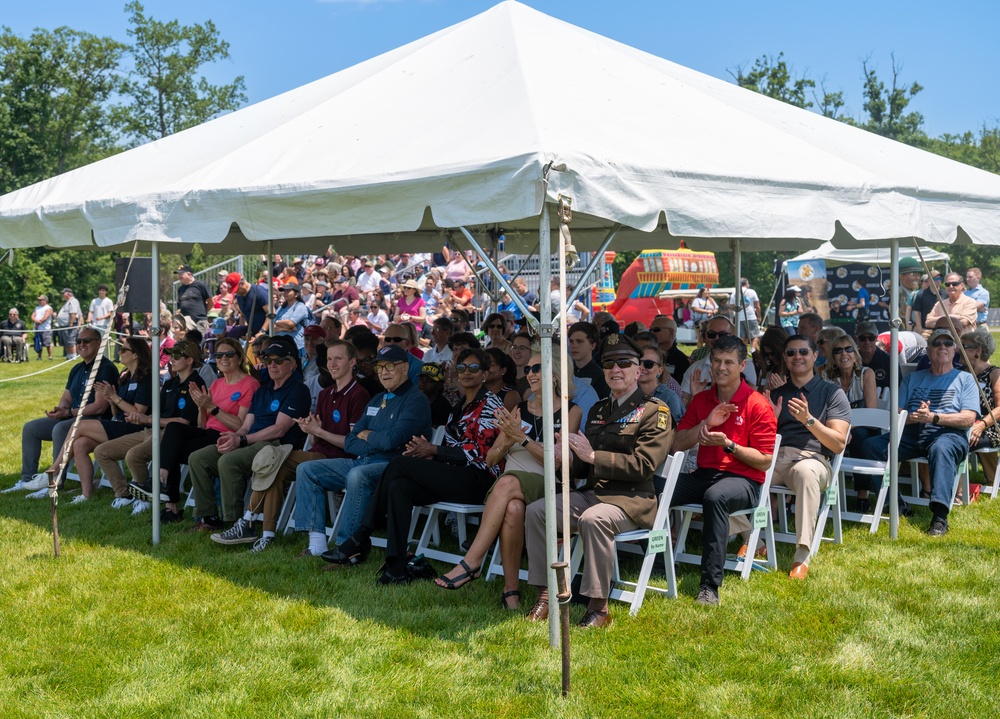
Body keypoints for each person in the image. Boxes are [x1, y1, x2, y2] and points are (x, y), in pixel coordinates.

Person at [523, 334, 673, 627]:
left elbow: (645, 466)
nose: (615, 370)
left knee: (593, 519)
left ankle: (598, 608)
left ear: (638, 371)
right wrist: (567, 459)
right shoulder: (598, 411)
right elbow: (583, 464)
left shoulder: (656, 412)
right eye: (608, 364)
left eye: (624, 363)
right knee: (538, 511)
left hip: (631, 501)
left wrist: (592, 458)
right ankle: (546, 595)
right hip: (594, 493)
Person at [333, 348, 502, 585]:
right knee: (399, 487)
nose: (466, 372)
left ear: (485, 373)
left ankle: (361, 535)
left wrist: (436, 451)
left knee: (400, 463)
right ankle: (396, 567)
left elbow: (483, 455)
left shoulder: (491, 404)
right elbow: (451, 451)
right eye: (462, 367)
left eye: (474, 368)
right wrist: (426, 450)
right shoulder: (461, 405)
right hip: (455, 474)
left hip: (480, 480)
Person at [435, 350, 582, 608]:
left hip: (548, 485)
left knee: (506, 482)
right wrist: (506, 441)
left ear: (556, 374)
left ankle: (471, 562)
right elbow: (490, 459)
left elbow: (557, 463)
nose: (531, 374)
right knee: (513, 508)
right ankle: (510, 593)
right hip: (513, 488)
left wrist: (522, 439)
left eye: (537, 369)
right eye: (527, 370)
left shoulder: (571, 411)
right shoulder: (519, 409)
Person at [213, 340, 371, 552]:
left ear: (352, 362)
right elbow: (316, 441)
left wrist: (319, 432)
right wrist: (312, 430)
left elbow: (352, 444)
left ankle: (248, 520)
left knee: (271, 459)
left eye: (338, 358)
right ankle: (266, 534)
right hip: (317, 453)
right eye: (330, 359)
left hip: (341, 461)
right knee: (272, 465)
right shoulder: (325, 393)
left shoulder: (359, 394)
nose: (332, 364)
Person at [670, 334, 777, 606]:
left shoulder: (757, 404)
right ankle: (658, 563)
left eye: (728, 362)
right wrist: (705, 424)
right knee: (656, 488)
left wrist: (729, 445)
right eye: (716, 360)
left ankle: (709, 586)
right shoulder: (702, 400)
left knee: (715, 497)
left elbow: (765, 460)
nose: (720, 367)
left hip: (744, 480)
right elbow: (676, 444)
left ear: (742, 365)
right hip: (705, 474)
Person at [298, 344, 432, 561]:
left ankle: (347, 547)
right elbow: (351, 441)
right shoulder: (378, 399)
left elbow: (392, 441)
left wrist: (368, 435)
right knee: (307, 469)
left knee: (358, 475)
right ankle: (316, 544)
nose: (384, 372)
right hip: (364, 460)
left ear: (405, 367)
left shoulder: (415, 400)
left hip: (396, 466)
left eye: (390, 366)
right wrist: (373, 439)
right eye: (380, 367)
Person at [860, 328, 979, 535]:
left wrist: (933, 417)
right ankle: (894, 502)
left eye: (947, 343)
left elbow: (968, 418)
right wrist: (911, 416)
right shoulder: (913, 378)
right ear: (928, 350)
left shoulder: (965, 379)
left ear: (954, 350)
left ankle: (940, 517)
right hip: (912, 432)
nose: (942, 347)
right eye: (936, 343)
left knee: (941, 449)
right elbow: (895, 411)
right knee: (871, 446)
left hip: (948, 434)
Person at [187, 338, 311, 532]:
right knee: (198, 458)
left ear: (293, 364)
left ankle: (236, 521)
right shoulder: (263, 390)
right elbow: (246, 425)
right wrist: (235, 437)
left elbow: (280, 429)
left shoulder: (298, 390)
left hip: (276, 446)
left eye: (279, 360)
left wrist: (243, 439)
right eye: (268, 360)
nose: (272, 365)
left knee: (228, 462)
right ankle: (209, 516)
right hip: (251, 441)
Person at [133, 338, 259, 522]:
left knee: (171, 447)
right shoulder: (217, 384)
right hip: (208, 433)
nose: (223, 358)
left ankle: (165, 494)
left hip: (228, 437)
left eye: (229, 354)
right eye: (218, 355)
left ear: (240, 358)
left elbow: (241, 425)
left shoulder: (249, 384)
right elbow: (202, 424)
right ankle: (169, 500)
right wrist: (202, 406)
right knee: (174, 432)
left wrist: (212, 407)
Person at [757, 334, 850, 579]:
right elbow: (758, 437)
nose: (797, 356)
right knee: (736, 469)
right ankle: (750, 537)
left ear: (815, 356)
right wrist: (771, 421)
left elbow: (838, 443)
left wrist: (808, 419)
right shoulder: (776, 392)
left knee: (806, 473)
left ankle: (802, 555)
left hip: (813, 459)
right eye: (791, 353)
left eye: (803, 352)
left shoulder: (832, 392)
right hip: (776, 458)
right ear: (785, 360)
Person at [96, 339, 205, 513]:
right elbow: (156, 414)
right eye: (170, 355)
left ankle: (145, 498)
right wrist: (140, 418)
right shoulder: (170, 383)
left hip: (173, 435)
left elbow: (183, 423)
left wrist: (147, 419)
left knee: (133, 456)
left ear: (190, 360)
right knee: (102, 451)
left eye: (177, 356)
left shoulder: (196, 384)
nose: (172, 359)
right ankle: (124, 495)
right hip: (152, 429)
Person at [7, 326, 120, 494]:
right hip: (73, 417)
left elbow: (99, 406)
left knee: (60, 429)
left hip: (96, 421)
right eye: (79, 341)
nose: (82, 344)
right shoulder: (77, 369)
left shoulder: (105, 368)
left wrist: (67, 413)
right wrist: (61, 409)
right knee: (31, 428)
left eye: (86, 341)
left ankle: (54, 482)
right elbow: (67, 397)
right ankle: (27, 479)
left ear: (99, 344)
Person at [44, 335, 154, 502]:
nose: (120, 352)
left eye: (124, 349)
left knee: (77, 426)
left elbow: (138, 413)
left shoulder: (146, 378)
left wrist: (114, 397)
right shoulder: (126, 376)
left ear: (136, 354)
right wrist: (112, 401)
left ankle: (55, 469)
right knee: (79, 444)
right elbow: (118, 412)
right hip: (121, 424)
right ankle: (86, 494)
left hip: (138, 428)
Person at [680, 316, 757, 406]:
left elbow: (750, 400)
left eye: (722, 334)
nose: (717, 338)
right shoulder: (694, 369)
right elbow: (683, 408)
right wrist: (697, 397)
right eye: (712, 334)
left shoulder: (746, 365)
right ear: (705, 337)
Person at [962, 330, 1000, 485]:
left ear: (977, 351)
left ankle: (958, 488)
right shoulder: (962, 372)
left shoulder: (994, 373)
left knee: (961, 441)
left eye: (964, 346)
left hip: (991, 426)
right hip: (967, 422)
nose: (958, 349)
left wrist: (981, 425)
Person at [637, 346, 683, 424]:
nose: (641, 367)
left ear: (659, 371)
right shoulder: (626, 393)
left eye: (648, 364)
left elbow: (678, 430)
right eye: (638, 362)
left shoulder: (669, 397)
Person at [568, 321, 611, 399]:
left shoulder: (601, 377)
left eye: (579, 341)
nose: (574, 346)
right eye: (571, 341)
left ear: (592, 345)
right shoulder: (565, 373)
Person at [649, 315, 690, 384]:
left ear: (671, 332)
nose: (652, 333)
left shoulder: (681, 360)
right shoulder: (648, 355)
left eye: (656, 330)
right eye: (651, 330)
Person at [173, 264, 213, 332]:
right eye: (178, 274)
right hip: (186, 323)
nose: (179, 276)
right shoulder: (180, 289)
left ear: (189, 274)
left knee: (201, 341)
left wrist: (202, 314)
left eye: (181, 273)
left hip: (199, 322)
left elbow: (211, 302)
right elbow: (179, 307)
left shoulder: (200, 285)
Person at [231, 273, 270, 339]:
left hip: (267, 335)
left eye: (237, 289)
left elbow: (271, 313)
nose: (236, 292)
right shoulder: (239, 297)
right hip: (253, 337)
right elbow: (243, 315)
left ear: (242, 283)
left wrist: (262, 331)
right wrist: (242, 331)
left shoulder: (259, 292)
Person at [274, 284, 311, 351]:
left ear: (296, 294)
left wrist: (278, 323)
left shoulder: (300, 306)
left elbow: (290, 323)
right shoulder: (281, 308)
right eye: (284, 291)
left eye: (288, 291)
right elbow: (273, 325)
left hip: (296, 346)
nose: (285, 293)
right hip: (281, 344)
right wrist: (285, 329)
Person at [754, 326, 789, 392]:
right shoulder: (770, 369)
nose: (770, 357)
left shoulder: (792, 371)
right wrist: (764, 371)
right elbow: (760, 393)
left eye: (773, 353)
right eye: (767, 354)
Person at [731, 278, 761, 350]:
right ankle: (753, 351)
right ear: (746, 283)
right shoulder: (752, 291)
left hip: (739, 318)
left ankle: (742, 353)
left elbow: (731, 306)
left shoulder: (734, 292)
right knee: (755, 336)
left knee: (742, 338)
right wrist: (759, 316)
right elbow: (757, 305)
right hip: (750, 316)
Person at [55, 288, 82, 360]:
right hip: (64, 325)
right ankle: (69, 356)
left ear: (68, 294)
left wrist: (71, 322)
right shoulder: (67, 302)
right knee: (66, 342)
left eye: (63, 293)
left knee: (71, 341)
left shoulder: (73, 301)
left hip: (70, 325)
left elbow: (73, 313)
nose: (62, 295)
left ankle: (73, 356)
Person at [31, 294, 54, 360]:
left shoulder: (48, 308)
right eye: (39, 300)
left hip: (45, 329)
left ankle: (50, 356)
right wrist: (36, 321)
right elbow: (32, 316)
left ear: (45, 300)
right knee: (38, 343)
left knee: (47, 343)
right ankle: (39, 357)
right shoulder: (37, 308)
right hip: (37, 329)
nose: (39, 301)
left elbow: (46, 317)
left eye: (41, 300)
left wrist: (38, 323)